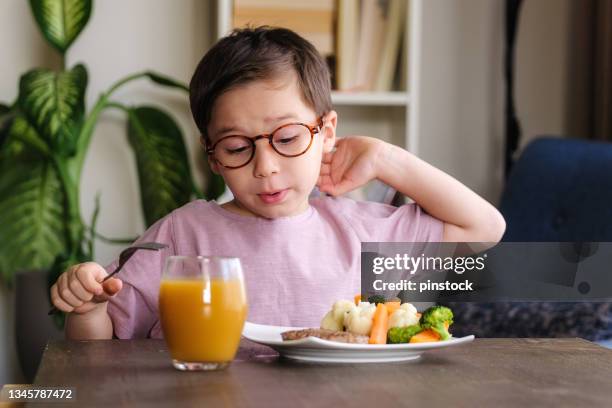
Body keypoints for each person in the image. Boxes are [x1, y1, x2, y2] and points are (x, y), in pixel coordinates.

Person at [50, 27, 506, 340]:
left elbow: (484, 228)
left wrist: (387, 158)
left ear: (326, 132)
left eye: (287, 138)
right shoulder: (181, 235)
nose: (265, 166)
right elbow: (97, 349)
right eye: (235, 147)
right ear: (212, 156)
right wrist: (88, 309)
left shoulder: (363, 232)